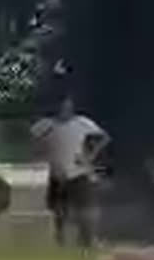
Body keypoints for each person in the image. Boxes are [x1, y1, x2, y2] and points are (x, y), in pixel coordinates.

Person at [31, 93, 109, 248]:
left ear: (71, 107)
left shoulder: (82, 123)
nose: (64, 109)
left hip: (78, 171)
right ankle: (60, 240)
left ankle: (87, 239)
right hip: (57, 172)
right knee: (59, 210)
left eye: (67, 106)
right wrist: (42, 153)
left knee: (86, 209)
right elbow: (33, 140)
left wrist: (89, 155)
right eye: (61, 106)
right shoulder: (46, 125)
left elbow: (104, 138)